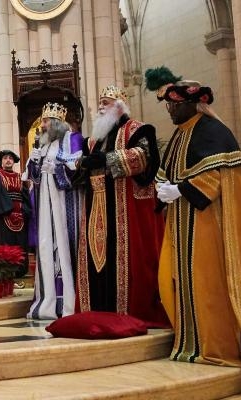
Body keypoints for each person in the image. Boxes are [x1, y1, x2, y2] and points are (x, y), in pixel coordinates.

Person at [147, 72, 241, 390]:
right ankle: (191, 345)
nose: (170, 112)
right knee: (180, 283)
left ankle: (216, 347)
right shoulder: (179, 135)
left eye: (174, 106)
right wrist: (163, 189)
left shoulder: (213, 131)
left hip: (208, 227)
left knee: (208, 286)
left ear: (191, 104)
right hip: (182, 225)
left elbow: (219, 177)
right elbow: (166, 173)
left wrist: (180, 190)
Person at [74, 85, 170, 328]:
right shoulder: (94, 138)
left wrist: (107, 159)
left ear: (119, 106)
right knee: (96, 257)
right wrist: (80, 165)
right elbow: (82, 170)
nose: (100, 107)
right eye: (100, 102)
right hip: (96, 203)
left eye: (105, 102)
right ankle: (95, 308)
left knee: (126, 258)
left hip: (125, 208)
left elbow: (144, 157)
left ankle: (126, 309)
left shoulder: (137, 130)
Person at [23, 102, 83, 320]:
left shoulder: (72, 139)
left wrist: (58, 170)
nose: (43, 125)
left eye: (47, 121)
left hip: (64, 206)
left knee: (65, 247)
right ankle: (47, 300)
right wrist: (36, 165)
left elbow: (79, 169)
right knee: (47, 247)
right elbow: (32, 177)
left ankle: (68, 300)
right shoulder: (42, 145)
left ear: (58, 123)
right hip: (45, 208)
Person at [0, 149, 30, 278]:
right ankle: (5, 272)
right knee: (5, 244)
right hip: (3, 216)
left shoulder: (20, 177)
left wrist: (23, 209)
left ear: (13, 161)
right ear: (1, 161)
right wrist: (9, 210)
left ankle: (19, 272)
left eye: (10, 158)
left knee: (20, 244)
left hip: (20, 215)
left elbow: (25, 196)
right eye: (5, 158)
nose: (8, 160)